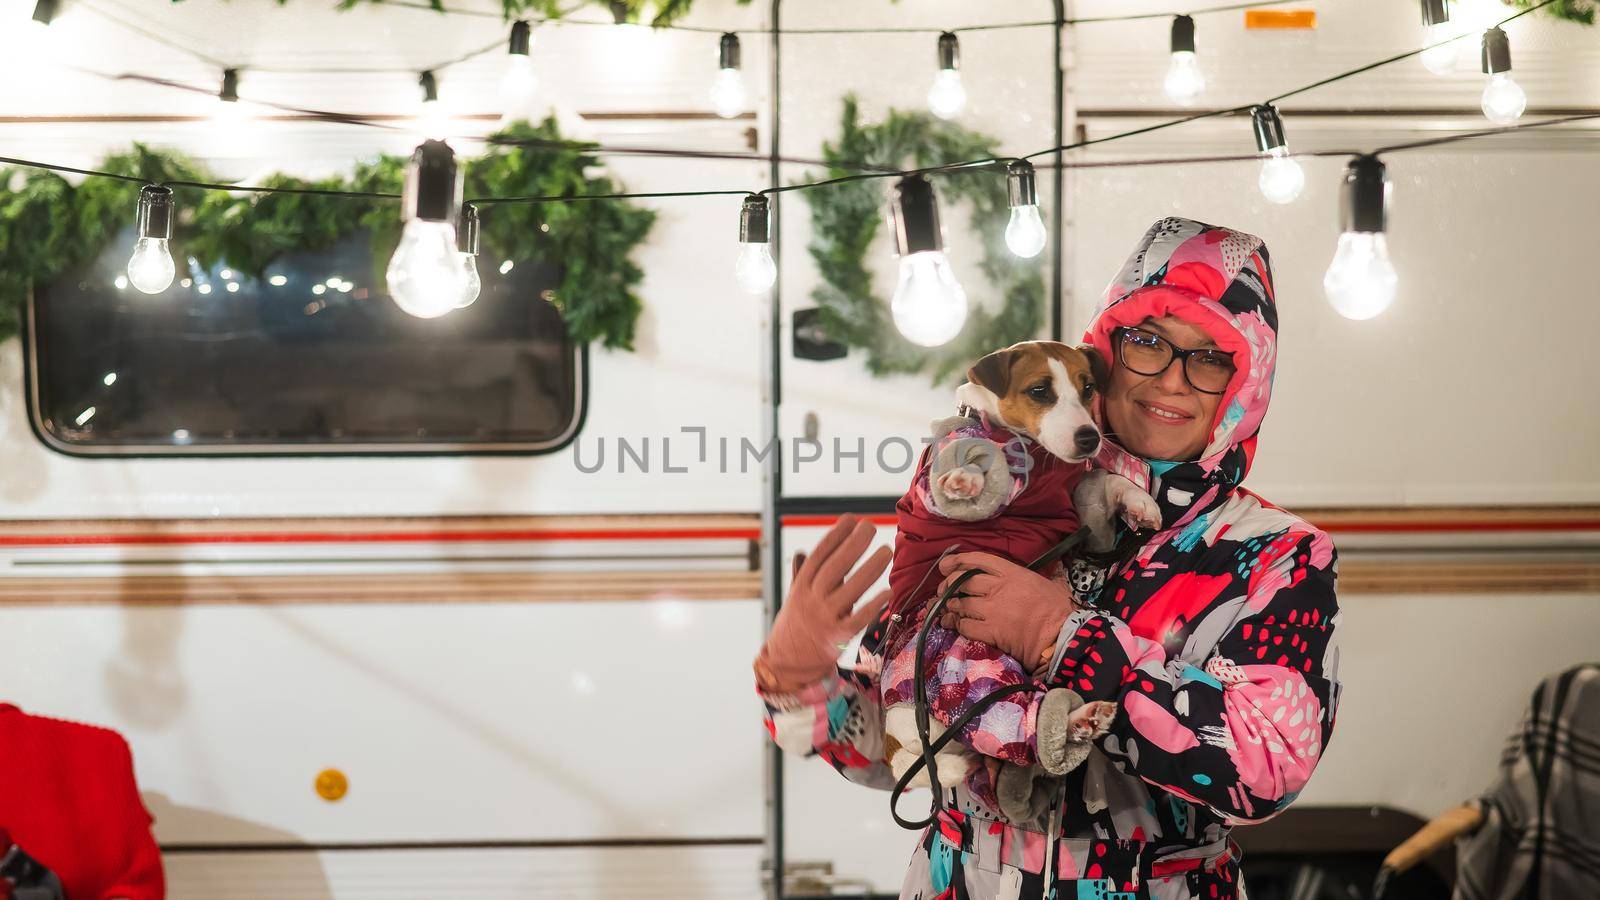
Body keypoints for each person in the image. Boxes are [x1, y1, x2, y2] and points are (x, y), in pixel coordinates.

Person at [754, 217, 1342, 900]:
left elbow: (1267, 767)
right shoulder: (1007, 503)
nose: (1172, 381)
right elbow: (905, 748)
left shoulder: (1275, 554)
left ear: (1245, 385)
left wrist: (1063, 639)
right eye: (1147, 342)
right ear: (1102, 356)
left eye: (1210, 358)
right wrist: (802, 681)